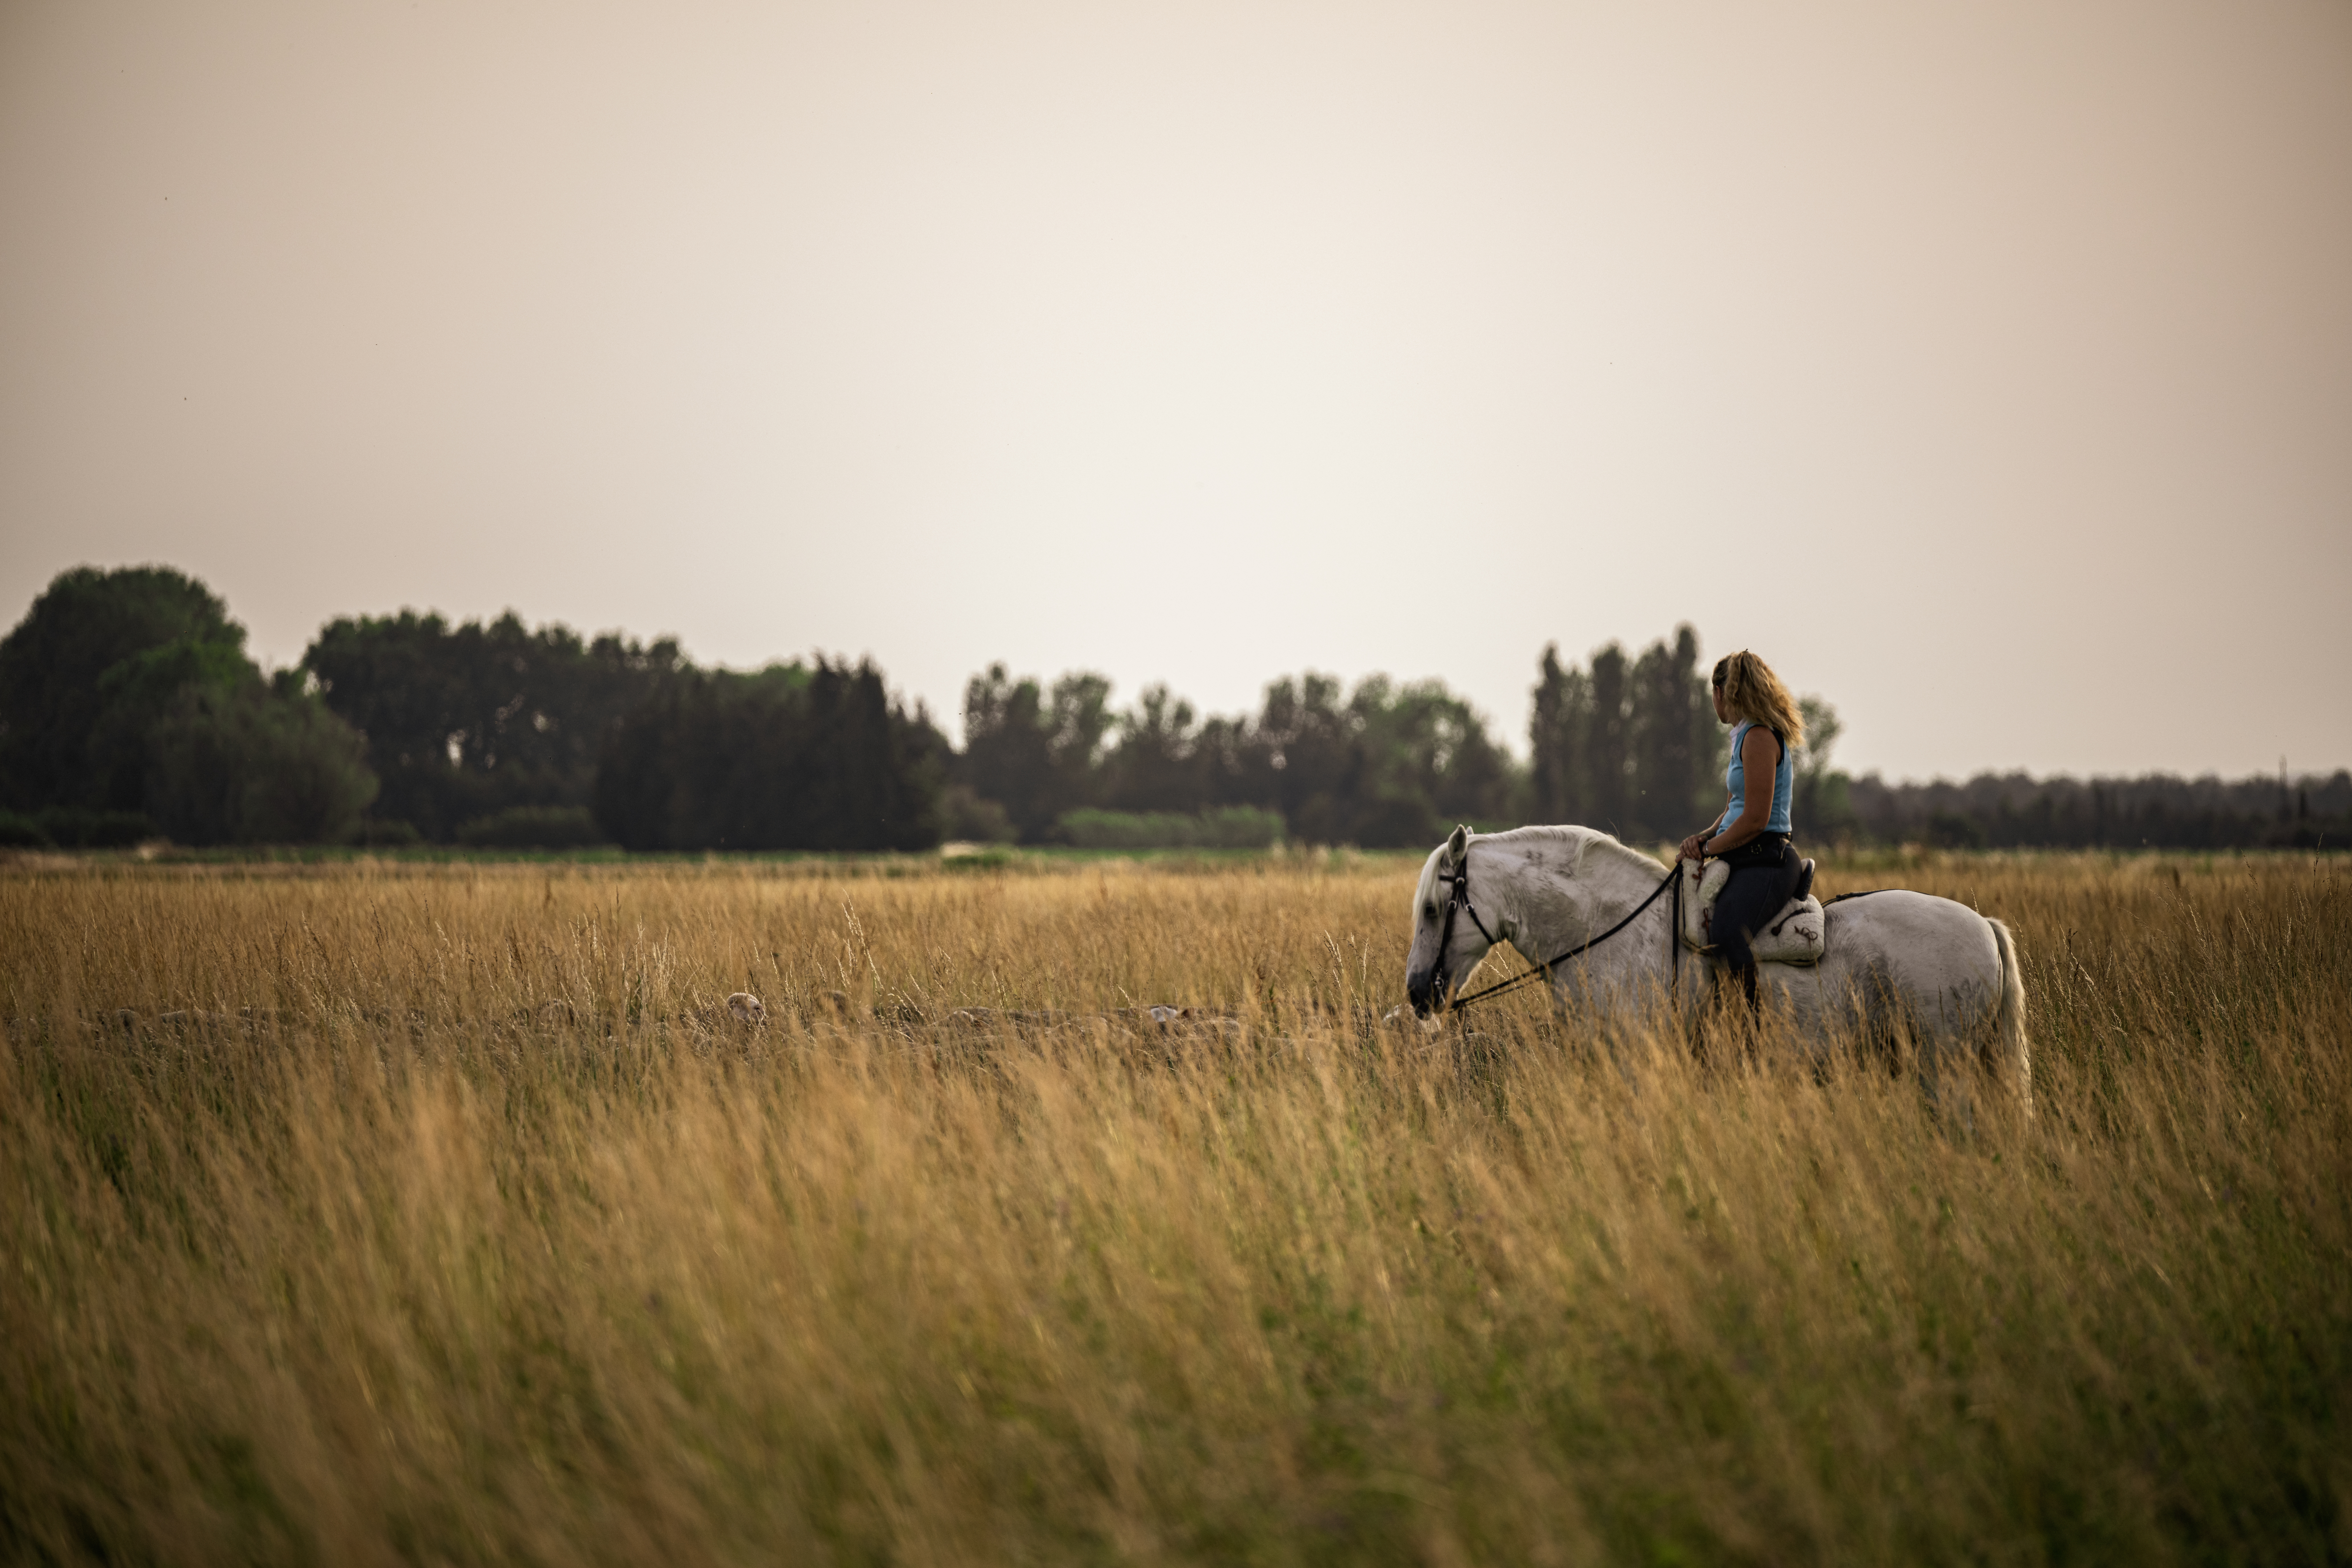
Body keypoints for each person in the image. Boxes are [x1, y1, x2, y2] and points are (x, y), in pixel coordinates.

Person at [1677, 650, 1806, 1016]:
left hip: (1768, 858)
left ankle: (1749, 1032)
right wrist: (1702, 838)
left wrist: (1711, 849)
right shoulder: (1744, 736)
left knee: (1729, 933)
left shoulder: (1761, 737)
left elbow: (1756, 819)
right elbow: (1734, 808)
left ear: (1722, 692)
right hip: (1744, 854)